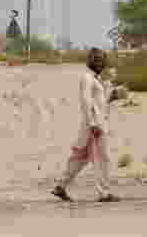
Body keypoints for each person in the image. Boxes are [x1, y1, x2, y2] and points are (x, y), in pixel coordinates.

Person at [52, 48, 121, 203]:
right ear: (89, 61)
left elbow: (98, 104)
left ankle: (61, 186)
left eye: (101, 59)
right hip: (95, 127)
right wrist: (93, 124)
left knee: (79, 159)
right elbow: (86, 102)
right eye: (96, 59)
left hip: (93, 125)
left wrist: (111, 98)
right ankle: (104, 193)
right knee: (102, 159)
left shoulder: (96, 80)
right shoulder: (87, 78)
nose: (99, 62)